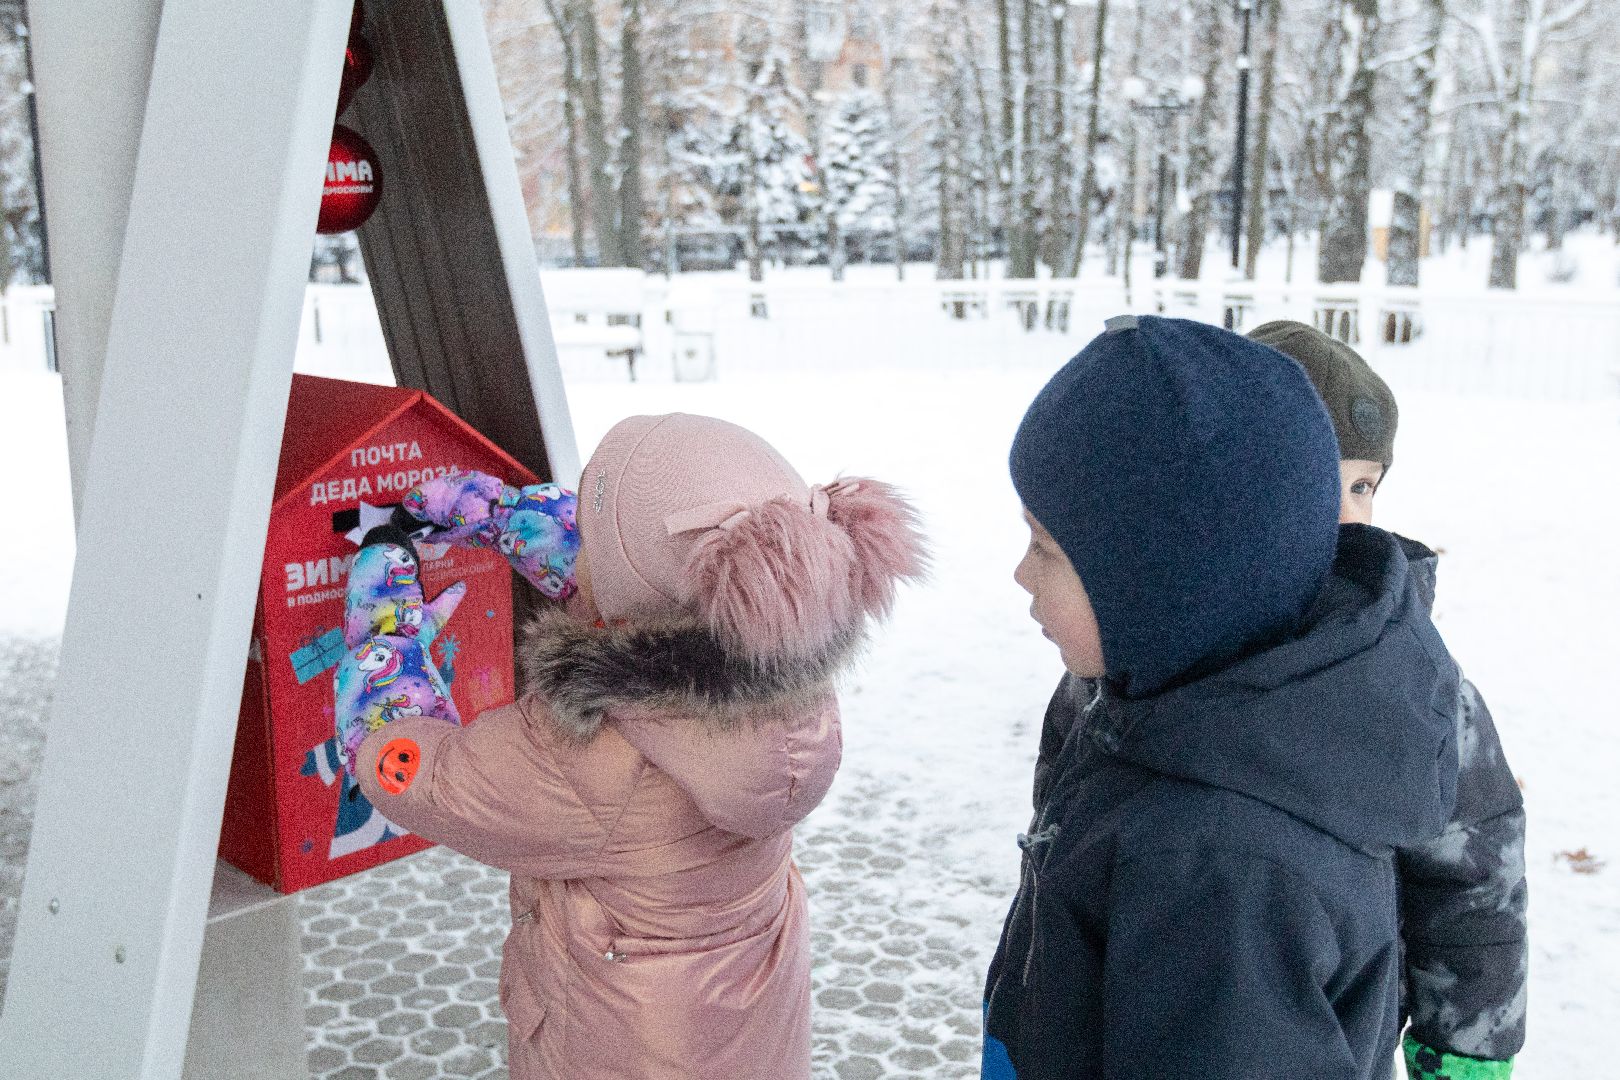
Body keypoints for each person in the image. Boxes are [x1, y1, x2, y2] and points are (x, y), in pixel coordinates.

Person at [338, 413, 928, 1080]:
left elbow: (426, 778)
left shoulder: (593, 753)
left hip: (613, 1051)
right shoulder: (784, 676)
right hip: (743, 1041)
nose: (579, 557)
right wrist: (494, 512)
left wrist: (383, 620)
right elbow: (636, 589)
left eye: (588, 543)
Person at [982, 315, 1460, 1078]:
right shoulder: (1163, 716)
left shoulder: (1221, 867)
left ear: (1161, 584)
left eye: (1045, 547)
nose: (1020, 573)